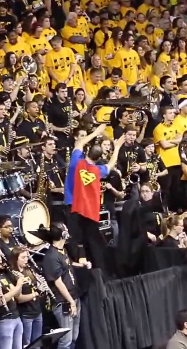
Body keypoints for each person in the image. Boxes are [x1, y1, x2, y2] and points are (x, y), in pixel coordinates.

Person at [64, 123, 117, 270]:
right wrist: (117, 147)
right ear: (99, 157)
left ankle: (78, 268)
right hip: (88, 210)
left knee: (76, 240)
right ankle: (97, 269)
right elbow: (110, 165)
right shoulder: (97, 170)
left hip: (72, 205)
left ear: (87, 152)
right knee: (92, 240)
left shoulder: (75, 162)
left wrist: (95, 132)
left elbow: (79, 142)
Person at [42, 223, 80, 349]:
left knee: (74, 337)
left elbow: (68, 266)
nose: (68, 231)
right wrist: (71, 302)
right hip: (63, 301)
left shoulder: (63, 250)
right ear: (63, 234)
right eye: (66, 230)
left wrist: (82, 265)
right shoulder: (51, 256)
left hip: (73, 296)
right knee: (66, 340)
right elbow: (58, 282)